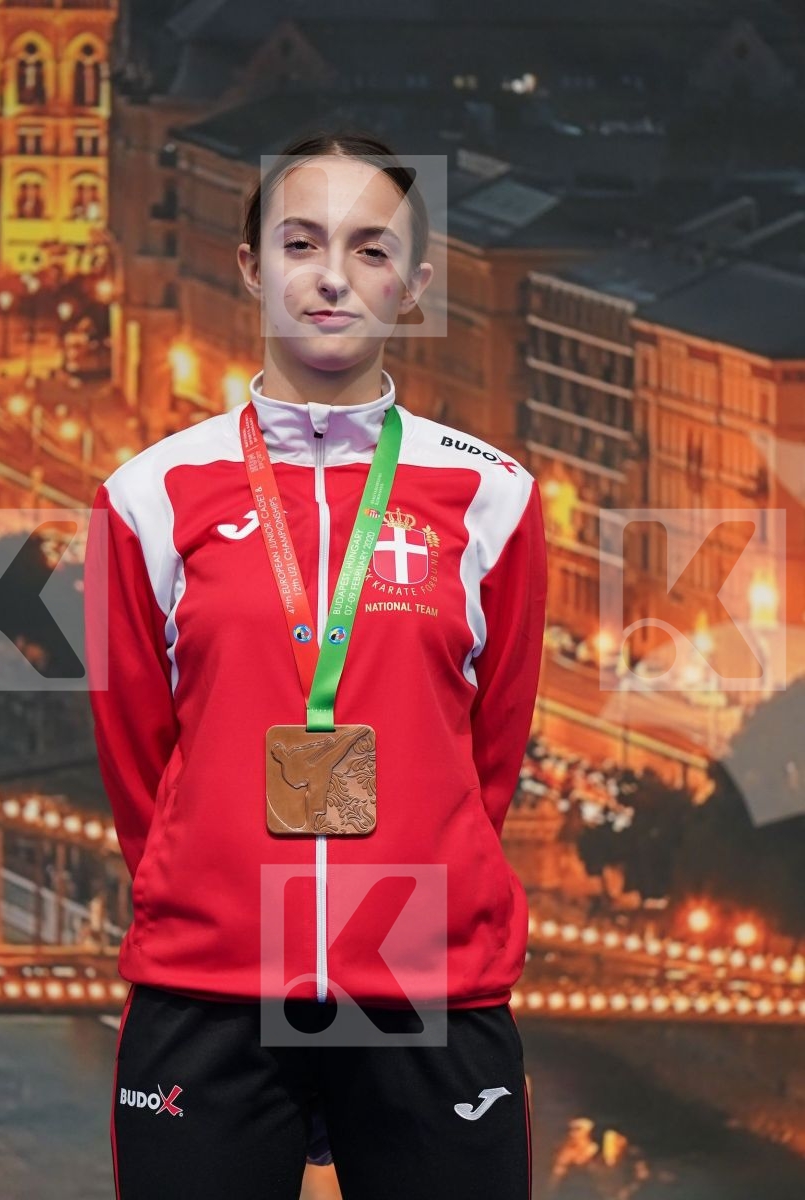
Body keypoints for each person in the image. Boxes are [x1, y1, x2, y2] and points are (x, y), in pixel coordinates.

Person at [83, 128, 548, 1200]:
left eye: (372, 250)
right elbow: (135, 754)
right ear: (252, 267)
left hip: (428, 984)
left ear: (415, 283)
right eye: (301, 243)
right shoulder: (147, 495)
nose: (333, 276)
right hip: (211, 989)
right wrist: (217, 887)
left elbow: (492, 756)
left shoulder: (495, 496)